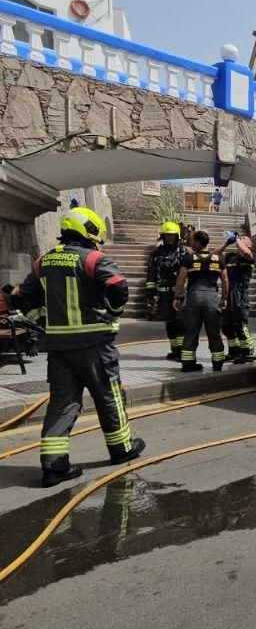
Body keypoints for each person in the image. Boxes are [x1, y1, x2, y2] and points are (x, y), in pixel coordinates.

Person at [14, 206, 145, 487]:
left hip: (60, 349)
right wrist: (112, 312)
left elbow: (24, 299)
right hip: (96, 345)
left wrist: (44, 321)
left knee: (62, 404)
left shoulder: (43, 262)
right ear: (89, 231)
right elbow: (118, 288)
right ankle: (121, 449)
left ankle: (54, 465)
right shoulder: (94, 259)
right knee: (109, 396)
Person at [172, 229, 228, 372]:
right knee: (214, 331)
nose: (190, 243)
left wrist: (177, 297)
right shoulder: (219, 259)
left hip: (193, 298)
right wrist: (224, 299)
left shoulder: (189, 258)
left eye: (192, 240)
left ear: (197, 242)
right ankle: (217, 364)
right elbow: (225, 281)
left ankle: (188, 364)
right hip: (211, 298)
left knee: (191, 331)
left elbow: (181, 279)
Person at [145, 220, 186, 359]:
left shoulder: (184, 252)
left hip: (180, 293)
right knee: (170, 323)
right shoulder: (156, 254)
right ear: (162, 236)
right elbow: (151, 273)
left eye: (172, 235)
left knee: (181, 322)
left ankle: (182, 351)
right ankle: (175, 350)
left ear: (177, 236)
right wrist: (150, 292)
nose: (170, 237)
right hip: (164, 294)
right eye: (167, 235)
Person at [218, 230, 256, 363]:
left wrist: (237, 239)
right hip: (228, 292)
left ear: (249, 244)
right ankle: (234, 351)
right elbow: (215, 256)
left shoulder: (249, 256)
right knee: (226, 325)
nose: (240, 239)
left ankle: (246, 352)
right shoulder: (230, 256)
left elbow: (245, 252)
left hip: (240, 294)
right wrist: (226, 243)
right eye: (240, 237)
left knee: (240, 324)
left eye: (244, 238)